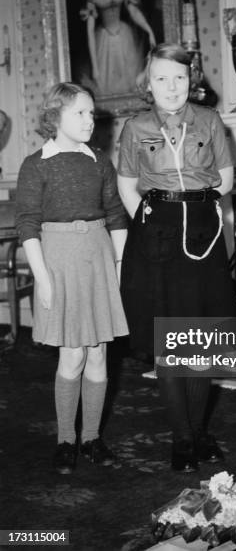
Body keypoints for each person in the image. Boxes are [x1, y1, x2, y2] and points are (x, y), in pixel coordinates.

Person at [117, 43, 236, 473]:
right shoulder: (135, 127)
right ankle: (182, 437)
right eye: (162, 79)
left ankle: (201, 431)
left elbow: (224, 179)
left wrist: (198, 212)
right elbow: (127, 185)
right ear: (148, 84)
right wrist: (153, 226)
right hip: (158, 234)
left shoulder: (209, 120)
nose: (172, 87)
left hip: (203, 229)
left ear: (193, 80)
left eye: (180, 78)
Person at [15, 82, 128, 474]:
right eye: (80, 112)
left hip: (98, 255)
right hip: (58, 260)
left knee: (98, 351)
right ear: (55, 116)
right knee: (72, 354)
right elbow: (28, 225)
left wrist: (118, 265)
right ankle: (66, 440)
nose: (88, 120)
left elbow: (115, 214)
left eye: (91, 113)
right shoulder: (37, 163)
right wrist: (42, 278)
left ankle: (93, 438)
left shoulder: (99, 160)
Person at [80, 0, 156, 96]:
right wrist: (95, 66)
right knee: (106, 88)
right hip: (104, 42)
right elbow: (89, 29)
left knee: (130, 86)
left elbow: (133, 12)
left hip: (124, 38)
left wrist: (149, 30)